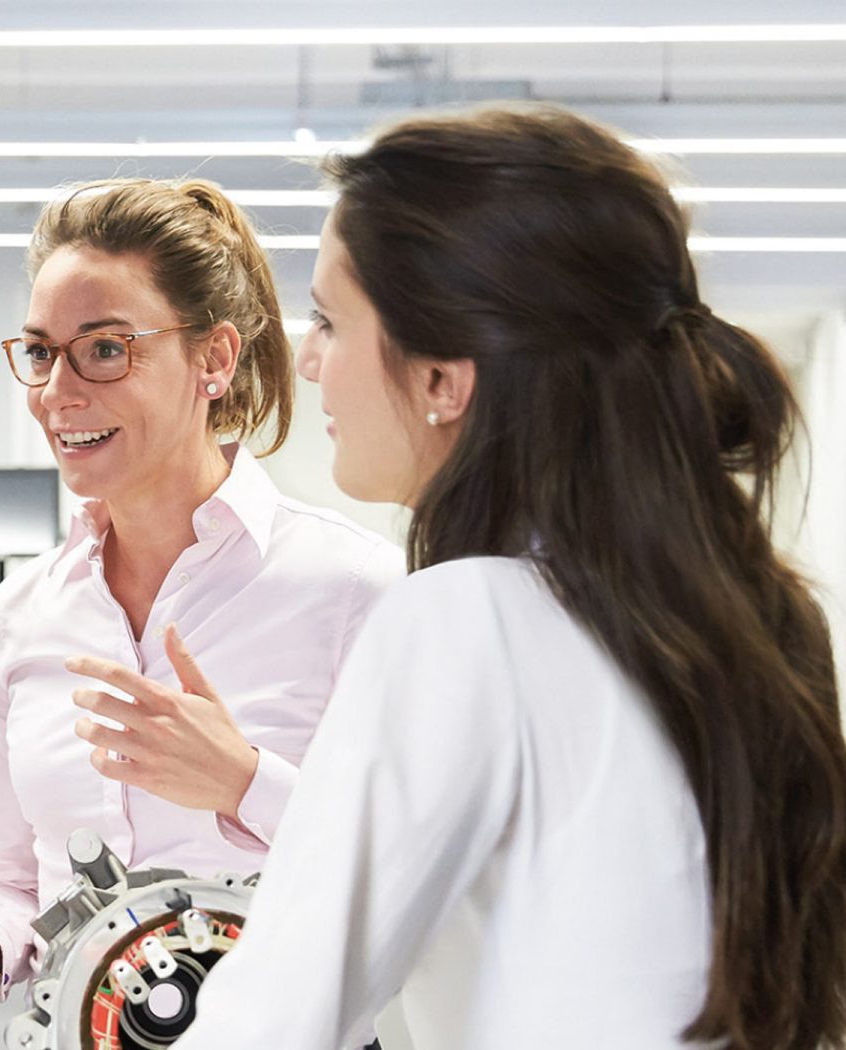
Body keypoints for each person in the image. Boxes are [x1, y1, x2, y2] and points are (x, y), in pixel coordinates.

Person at [83, 105, 846, 1049]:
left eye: (330, 318)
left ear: (445, 381)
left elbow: (275, 1018)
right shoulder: (754, 620)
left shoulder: (463, 619)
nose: (309, 359)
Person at [0, 178, 405, 1015]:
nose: (57, 391)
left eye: (104, 349)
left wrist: (245, 783)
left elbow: (418, 874)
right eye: (39, 351)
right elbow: (3, 874)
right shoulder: (22, 615)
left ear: (214, 359)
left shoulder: (356, 591)